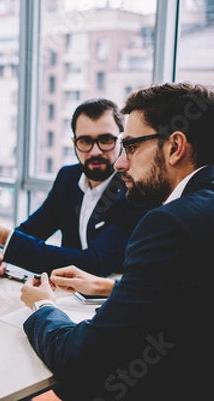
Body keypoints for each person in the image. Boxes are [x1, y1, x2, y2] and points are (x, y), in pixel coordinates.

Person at [20, 81, 214, 400]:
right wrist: (109, 287)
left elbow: (79, 358)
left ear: (175, 147)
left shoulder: (168, 223)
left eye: (131, 146)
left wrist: (41, 306)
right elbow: (191, 296)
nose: (119, 162)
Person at [0, 99, 156, 281]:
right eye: (85, 141)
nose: (95, 151)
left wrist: (4, 237)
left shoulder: (135, 189)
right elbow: (34, 227)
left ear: (120, 141)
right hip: (64, 293)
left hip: (107, 299)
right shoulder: (68, 177)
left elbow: (95, 264)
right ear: (74, 143)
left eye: (105, 140)